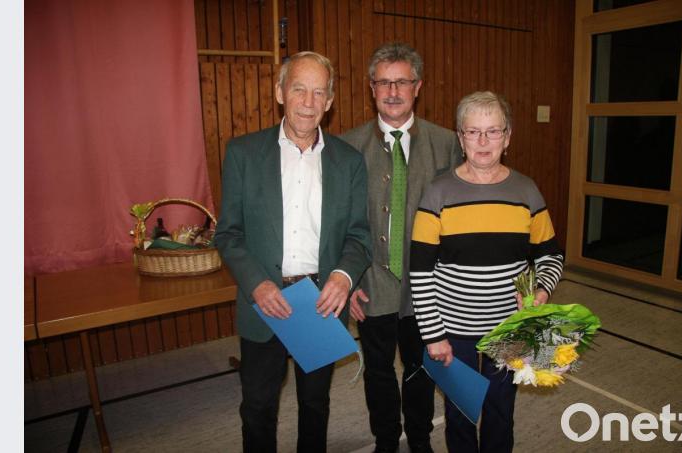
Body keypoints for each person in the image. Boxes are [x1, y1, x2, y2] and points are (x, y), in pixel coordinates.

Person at [214, 51, 372, 453]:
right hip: (264, 300)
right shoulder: (243, 154)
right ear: (280, 92)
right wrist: (256, 285)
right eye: (299, 88)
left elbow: (359, 235)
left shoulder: (349, 161)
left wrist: (343, 276)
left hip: (321, 299)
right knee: (258, 406)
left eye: (319, 92)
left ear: (330, 101)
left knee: (315, 403)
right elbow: (229, 234)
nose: (308, 101)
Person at [409, 91, 564, 453]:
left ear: (507, 137)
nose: (483, 141)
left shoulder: (527, 191)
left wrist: (541, 291)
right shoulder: (437, 193)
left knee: (500, 411)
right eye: (473, 132)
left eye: (493, 132)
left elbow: (551, 257)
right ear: (460, 137)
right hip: (452, 333)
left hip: (508, 330)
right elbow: (420, 273)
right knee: (460, 415)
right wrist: (433, 336)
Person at [341, 42, 461, 453]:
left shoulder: (447, 145)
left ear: (418, 86)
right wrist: (346, 279)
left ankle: (422, 440)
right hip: (370, 281)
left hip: (427, 286)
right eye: (383, 82)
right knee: (378, 371)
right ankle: (386, 441)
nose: (393, 91)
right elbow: (336, 223)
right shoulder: (346, 146)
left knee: (421, 367)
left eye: (402, 82)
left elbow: (459, 222)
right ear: (371, 88)